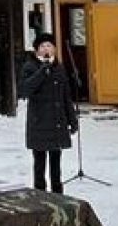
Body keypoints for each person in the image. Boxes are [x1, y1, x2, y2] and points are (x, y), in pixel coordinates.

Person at [18, 32, 80, 192]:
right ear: (36, 50)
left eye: (49, 46)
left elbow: (65, 96)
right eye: (43, 46)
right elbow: (25, 90)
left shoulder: (59, 67)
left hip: (57, 123)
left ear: (54, 49)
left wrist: (72, 120)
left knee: (56, 163)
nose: (46, 49)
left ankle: (57, 194)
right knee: (39, 163)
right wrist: (42, 70)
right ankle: (39, 194)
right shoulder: (30, 67)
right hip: (39, 122)